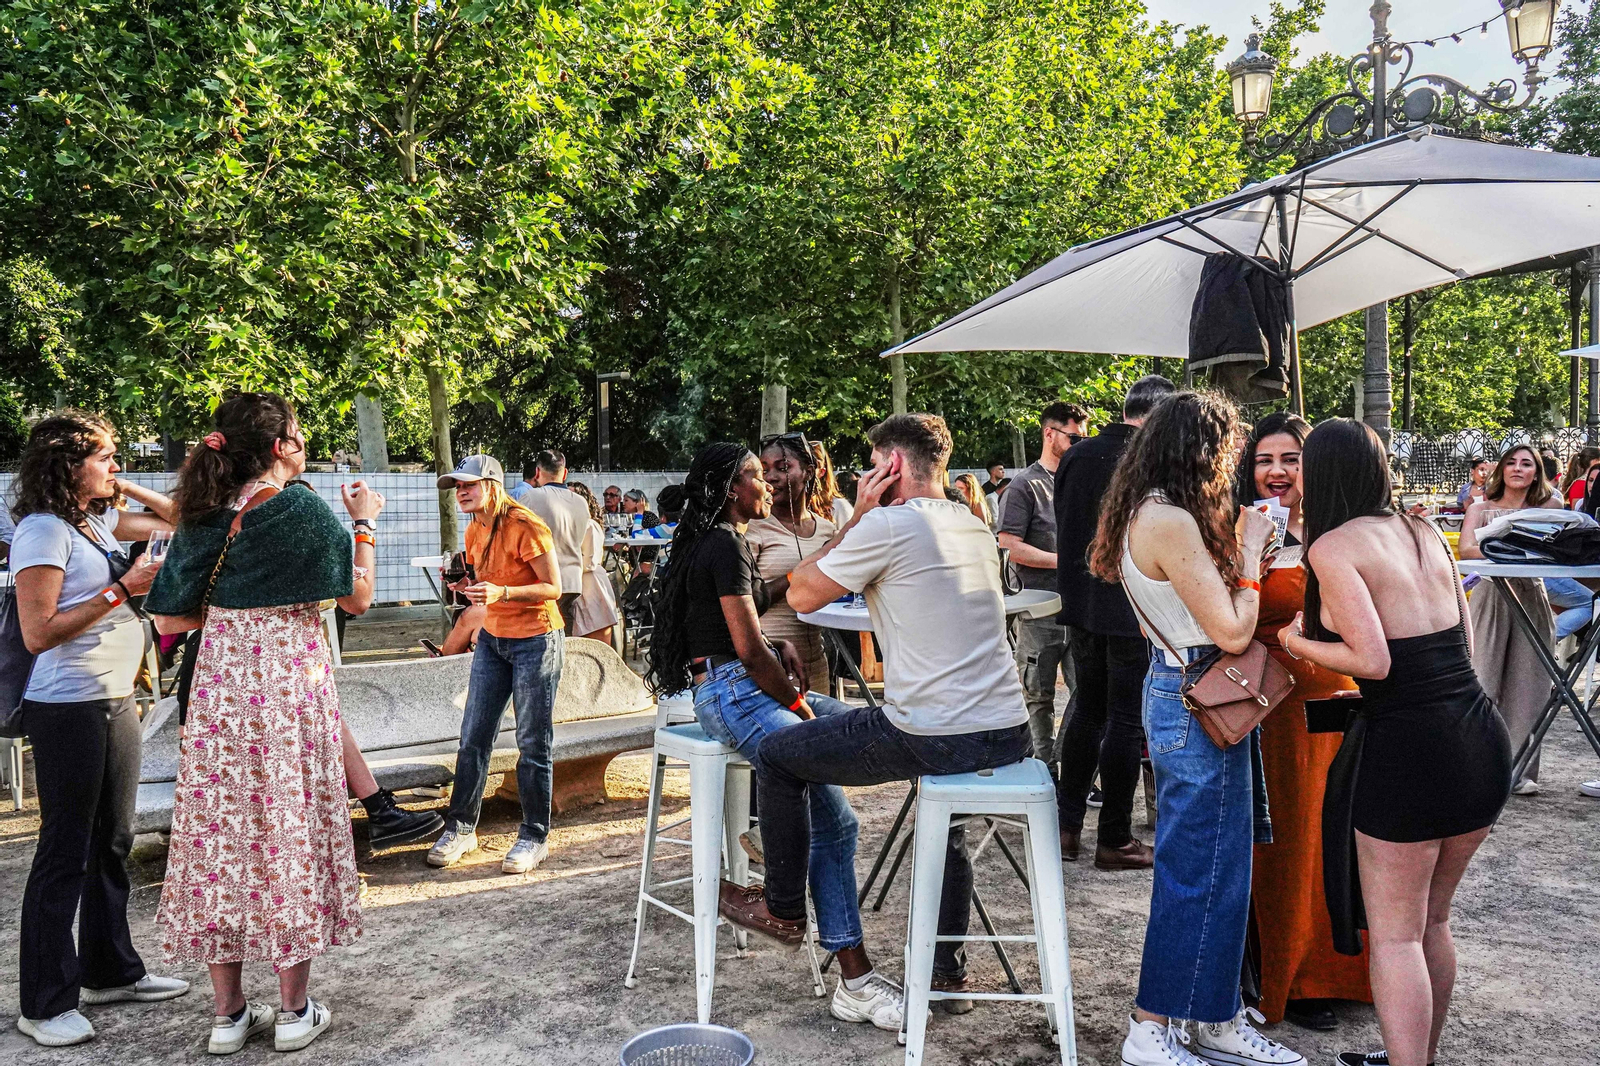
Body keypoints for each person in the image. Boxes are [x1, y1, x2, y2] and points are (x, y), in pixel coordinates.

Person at [737, 413, 1033, 1012]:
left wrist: (859, 517)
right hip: (1007, 729)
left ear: (892, 467)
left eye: (873, 465)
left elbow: (800, 595)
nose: (865, 476)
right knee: (941, 809)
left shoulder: (889, 524)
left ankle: (783, 907)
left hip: (931, 731)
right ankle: (947, 975)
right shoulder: (971, 521)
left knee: (778, 755)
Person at [147, 392, 377, 1054]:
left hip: (218, 699)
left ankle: (227, 1017)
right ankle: (295, 1011)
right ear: (280, 447)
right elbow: (357, 599)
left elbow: (170, 620)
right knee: (288, 837)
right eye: (298, 435)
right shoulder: (299, 507)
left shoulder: (202, 514)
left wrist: (235, 611)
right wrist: (362, 524)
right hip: (286, 700)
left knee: (221, 848)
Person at [646, 442, 902, 1032]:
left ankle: (778, 838)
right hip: (735, 693)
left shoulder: (711, 541)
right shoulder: (727, 541)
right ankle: (855, 980)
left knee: (862, 718)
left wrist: (854, 523)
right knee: (837, 818)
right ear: (731, 489)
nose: (766, 485)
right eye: (756, 476)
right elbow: (746, 650)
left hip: (733, 686)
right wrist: (794, 701)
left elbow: (770, 596)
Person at [1279, 419, 1511, 1066]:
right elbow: (1458, 646)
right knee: (1434, 923)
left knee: (1397, 935)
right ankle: (1419, 1056)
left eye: (1300, 464)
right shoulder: (1422, 530)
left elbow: (1372, 660)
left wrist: (1296, 640)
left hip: (1409, 752)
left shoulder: (1332, 547)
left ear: (1322, 473)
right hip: (1476, 738)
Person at [1087, 390, 1302, 1066]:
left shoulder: (1153, 512)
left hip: (1194, 695)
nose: (1232, 462)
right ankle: (1150, 1027)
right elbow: (1234, 632)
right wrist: (1246, 554)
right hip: (1196, 695)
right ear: (1200, 449)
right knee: (1196, 871)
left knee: (1223, 868)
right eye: (1228, 448)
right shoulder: (1166, 519)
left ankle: (1214, 1017)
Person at [10, 413, 190, 1048]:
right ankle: (44, 1001)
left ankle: (111, 971)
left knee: (113, 840)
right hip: (66, 706)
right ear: (67, 463)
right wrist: (121, 590)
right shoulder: (42, 531)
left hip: (115, 699)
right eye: (107, 458)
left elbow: (182, 520)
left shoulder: (93, 521)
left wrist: (127, 491)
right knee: (64, 851)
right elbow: (39, 632)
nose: (118, 466)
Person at [1236, 414, 1372, 1031]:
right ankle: (1284, 972)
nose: (1278, 471)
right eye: (1266, 459)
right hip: (1264, 703)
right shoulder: (1237, 530)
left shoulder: (1340, 533)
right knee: (1283, 841)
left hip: (1336, 697)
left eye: (1291, 458)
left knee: (1334, 839)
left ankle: (1334, 970)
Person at [1053, 376, 1173, 873]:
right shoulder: (1151, 460)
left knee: (1086, 709)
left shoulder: (1076, 456)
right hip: (1130, 605)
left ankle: (1064, 826)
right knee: (1124, 719)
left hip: (1081, 604)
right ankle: (1116, 837)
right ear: (1160, 416)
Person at [426, 454, 565, 872]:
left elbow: (555, 587)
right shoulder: (473, 529)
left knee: (532, 741)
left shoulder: (526, 525)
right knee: (473, 735)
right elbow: (485, 582)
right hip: (493, 639)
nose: (461, 493)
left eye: (468, 485)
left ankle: (534, 835)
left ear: (492, 484)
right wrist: (466, 586)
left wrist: (501, 594)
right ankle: (462, 828)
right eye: (457, 487)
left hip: (536, 641)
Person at [1458, 444, 1557, 796]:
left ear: (1536, 472)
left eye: (1526, 463)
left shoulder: (1550, 507)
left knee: (1529, 684)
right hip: (1490, 594)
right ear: (1501, 470)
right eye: (1511, 462)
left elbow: (1555, 551)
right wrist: (1514, 547)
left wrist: (1499, 545)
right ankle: (1475, 767)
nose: (1518, 468)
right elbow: (1466, 549)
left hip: (1532, 595)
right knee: (1481, 680)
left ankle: (1520, 769)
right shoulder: (1481, 508)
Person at [999, 401, 1087, 768]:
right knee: (1038, 694)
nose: (1081, 442)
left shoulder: (1081, 479)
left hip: (1080, 605)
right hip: (1039, 607)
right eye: (1074, 436)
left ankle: (1071, 765)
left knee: (1087, 692)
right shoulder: (1025, 485)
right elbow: (1009, 545)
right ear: (1049, 433)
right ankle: (1044, 768)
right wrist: (1065, 561)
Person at [747, 433, 839, 688]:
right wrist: (798, 575)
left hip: (815, 664)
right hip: (770, 663)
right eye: (764, 470)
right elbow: (745, 601)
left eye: (783, 467)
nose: (771, 477)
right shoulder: (753, 528)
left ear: (809, 472)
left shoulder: (826, 530)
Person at [513, 450, 591, 633]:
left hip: (542, 580)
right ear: (564, 473)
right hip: (572, 580)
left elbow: (514, 534)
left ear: (537, 472)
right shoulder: (581, 502)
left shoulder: (531, 497)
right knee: (566, 635)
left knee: (543, 636)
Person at [566, 481, 620, 643]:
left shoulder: (590, 525)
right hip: (575, 585)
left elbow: (590, 561)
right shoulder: (567, 525)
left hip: (591, 586)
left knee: (597, 643)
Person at [808, 440, 854, 526]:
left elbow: (851, 538)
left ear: (821, 472)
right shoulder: (786, 506)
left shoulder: (839, 507)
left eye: (810, 469)